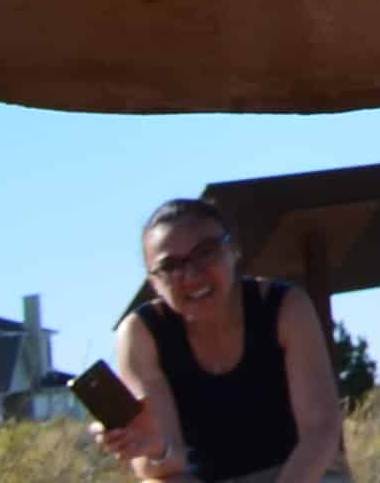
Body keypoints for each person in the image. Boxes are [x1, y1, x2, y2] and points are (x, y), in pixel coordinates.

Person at [88, 198, 347, 483]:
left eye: (205, 253)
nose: (191, 275)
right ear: (153, 282)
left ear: (233, 249)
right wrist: (154, 448)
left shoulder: (285, 306)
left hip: (299, 472)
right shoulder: (141, 333)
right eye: (171, 266)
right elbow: (162, 470)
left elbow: (320, 431)